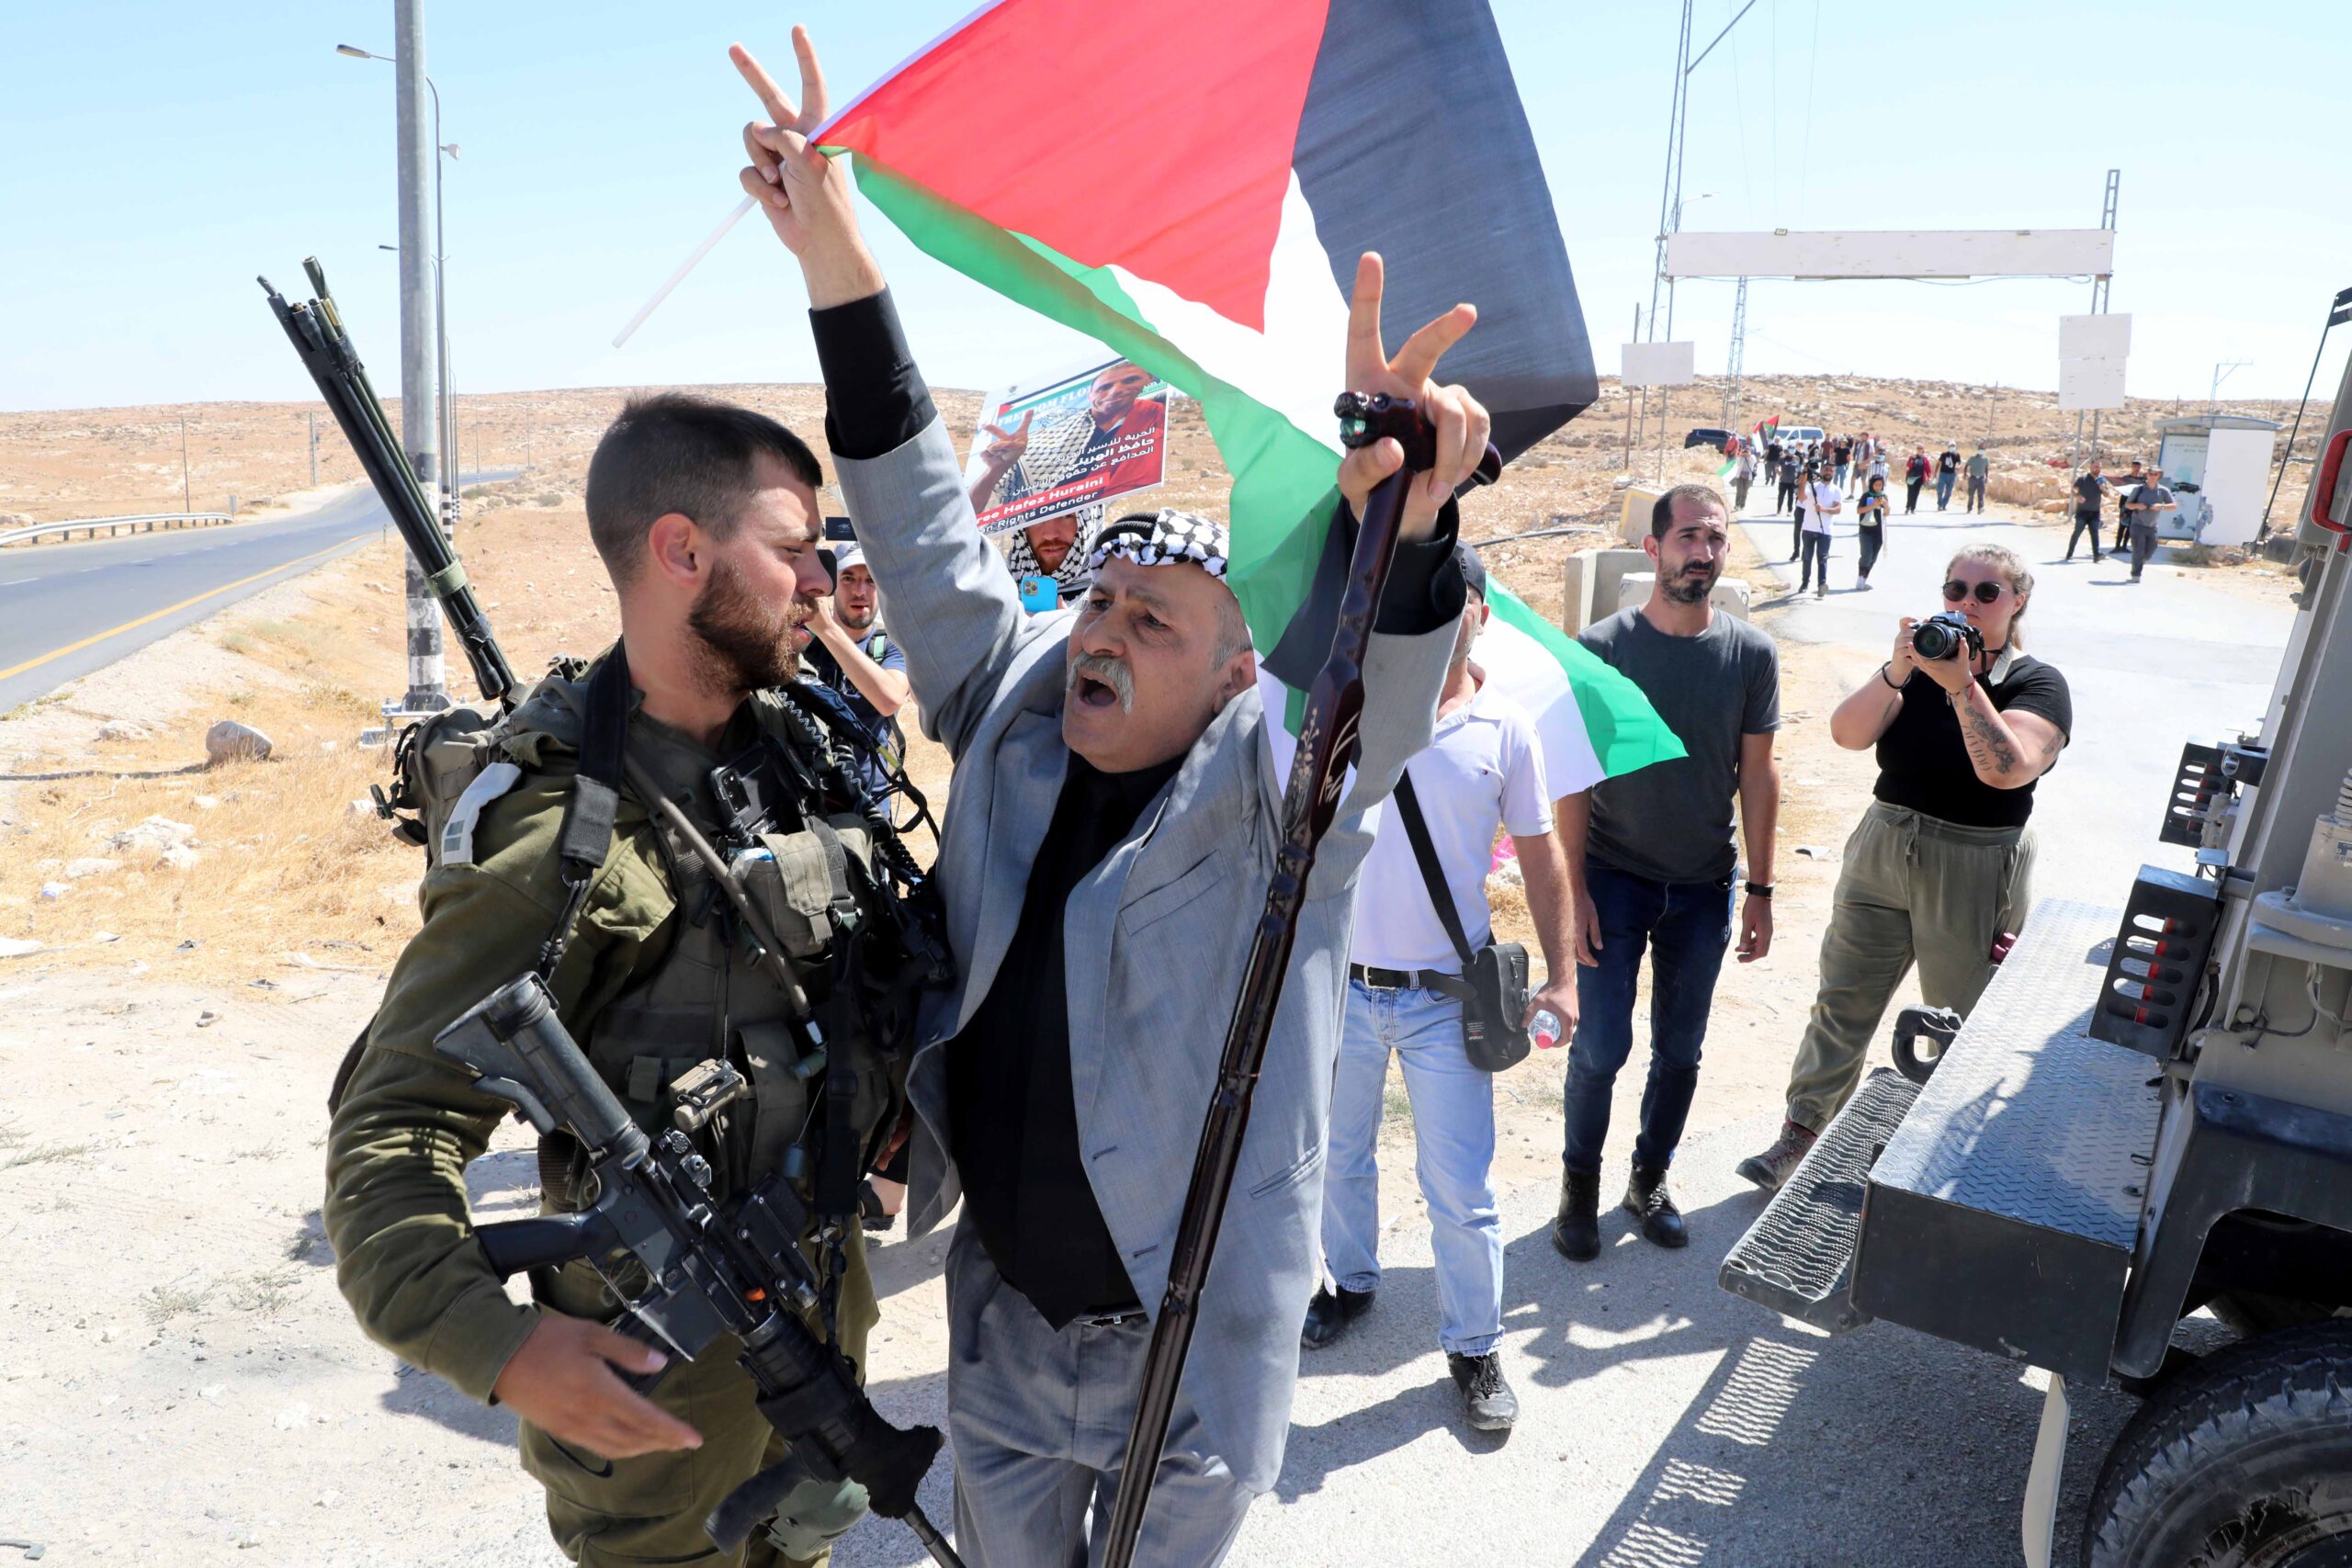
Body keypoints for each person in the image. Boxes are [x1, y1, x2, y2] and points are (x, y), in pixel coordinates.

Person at [733, 35, 1487, 1562]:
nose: (1105, 634)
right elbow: (928, 528)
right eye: (1098, 606)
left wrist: (1407, 534)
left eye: (1154, 623)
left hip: (1189, 1349)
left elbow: (1375, 702)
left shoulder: (1277, 807)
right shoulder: (1011, 713)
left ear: (1229, 677)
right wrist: (837, 259)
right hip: (1005, 1328)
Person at [323, 389, 911, 1566]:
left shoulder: (791, 754)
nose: (820, 579)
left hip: (818, 1332)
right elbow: (394, 1128)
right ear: (682, 551)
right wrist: (498, 1349)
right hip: (658, 1402)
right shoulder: (557, 840)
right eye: (794, 550)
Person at [1306, 546, 1587, 1434]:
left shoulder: (1506, 728)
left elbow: (1544, 862)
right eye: (1413, 602)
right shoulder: (1351, 714)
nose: (1433, 616)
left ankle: (1473, 1345)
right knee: (1335, 1159)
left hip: (1445, 1002)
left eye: (1449, 599)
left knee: (1460, 1188)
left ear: (1481, 611)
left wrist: (1565, 977)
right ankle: (1350, 1285)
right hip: (1342, 991)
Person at [1738, 545, 2071, 1189]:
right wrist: (1897, 672)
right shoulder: (1920, 667)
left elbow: (2005, 769)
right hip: (1885, 842)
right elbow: (1846, 733)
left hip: (1975, 858)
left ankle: (1944, 1164)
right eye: (1955, 589)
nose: (1965, 603)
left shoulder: (2037, 683)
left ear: (2018, 601)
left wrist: (1963, 686)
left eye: (1985, 593)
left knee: (1959, 1017)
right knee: (1843, 996)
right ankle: (1800, 1136)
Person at [1554, 485, 1780, 1260]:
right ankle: (1579, 1183)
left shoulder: (1750, 654)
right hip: (1612, 879)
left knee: (1680, 1049)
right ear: (1652, 550)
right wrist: (1573, 889)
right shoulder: (1602, 649)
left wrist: (1761, 889)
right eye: (1688, 537)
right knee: (1601, 1047)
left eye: (1715, 538)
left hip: (1703, 885)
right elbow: (1573, 776)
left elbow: (1758, 776)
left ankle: (1649, 1179)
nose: (1703, 552)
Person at [799, 541, 910, 799]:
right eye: (848, 578)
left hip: (870, 798)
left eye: (871, 580)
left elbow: (890, 700)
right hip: (808, 797)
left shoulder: (890, 647)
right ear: (832, 586)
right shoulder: (802, 641)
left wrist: (827, 630)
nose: (860, 591)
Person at [1001, 508, 1103, 605]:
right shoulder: (997, 590)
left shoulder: (1115, 593)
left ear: (1090, 519)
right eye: (1035, 515)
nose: (1050, 535)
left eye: (1065, 514)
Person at [2120, 465, 2177, 582]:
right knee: (2138, 550)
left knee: (2150, 551)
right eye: (2150, 474)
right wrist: (2137, 506)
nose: (2152, 476)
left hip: (2152, 526)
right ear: (2147, 475)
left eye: (2155, 474)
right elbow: (2127, 504)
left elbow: (2173, 506)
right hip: (2137, 524)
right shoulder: (2139, 489)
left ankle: (2140, 562)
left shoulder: (2163, 491)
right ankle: (2136, 575)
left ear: (2159, 476)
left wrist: (2161, 506)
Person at [1797, 465, 1841, 597]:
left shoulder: (1836, 490)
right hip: (1808, 528)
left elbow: (1838, 509)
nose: (1828, 472)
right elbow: (1801, 497)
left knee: (1822, 558)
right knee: (1807, 558)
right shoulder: (1812, 486)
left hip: (1825, 531)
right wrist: (1804, 475)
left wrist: (1824, 509)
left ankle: (1821, 585)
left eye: (1831, 471)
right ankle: (1805, 583)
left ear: (1834, 473)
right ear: (1822, 471)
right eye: (1826, 470)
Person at [2067, 460, 2111, 562]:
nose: (2097, 469)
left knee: (2095, 533)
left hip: (2095, 512)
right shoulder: (2083, 479)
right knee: (2077, 532)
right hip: (2082, 511)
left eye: (2099, 467)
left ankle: (2096, 555)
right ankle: (2069, 553)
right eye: (2095, 466)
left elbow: (2107, 494)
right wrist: (2077, 496)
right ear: (2090, 467)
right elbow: (2073, 489)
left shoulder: (2101, 480)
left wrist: (2103, 489)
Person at [1855, 474, 1891, 589]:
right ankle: (1859, 578)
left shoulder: (1884, 496)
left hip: (1878, 532)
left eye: (1880, 485)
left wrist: (1886, 506)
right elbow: (1859, 510)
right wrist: (1873, 505)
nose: (1878, 487)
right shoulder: (1866, 496)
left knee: (1873, 558)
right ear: (1871, 485)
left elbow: (1886, 514)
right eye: (1876, 485)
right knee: (1866, 555)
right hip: (1865, 530)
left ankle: (1864, 579)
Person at [1934, 443, 1962, 511]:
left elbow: (1960, 463)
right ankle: (1940, 504)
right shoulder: (1944, 455)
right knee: (1940, 490)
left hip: (1952, 475)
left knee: (1949, 492)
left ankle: (1943, 504)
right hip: (1943, 474)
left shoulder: (1957, 455)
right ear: (1948, 447)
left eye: (1953, 446)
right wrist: (1935, 472)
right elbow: (1938, 463)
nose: (1952, 447)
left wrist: (1958, 466)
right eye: (1951, 446)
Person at [1776, 448, 1803, 517]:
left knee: (1791, 497)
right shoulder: (1782, 458)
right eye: (1790, 451)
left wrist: (1798, 477)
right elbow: (1776, 467)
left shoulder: (1796, 459)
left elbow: (1799, 468)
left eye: (1793, 451)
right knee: (1781, 496)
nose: (1791, 453)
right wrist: (1778, 472)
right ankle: (1779, 509)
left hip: (1792, 482)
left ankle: (1789, 510)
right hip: (1783, 481)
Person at [1964, 446, 1990, 513]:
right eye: (1980, 450)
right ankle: (1969, 508)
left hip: (1981, 478)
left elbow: (1986, 468)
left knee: (1981, 494)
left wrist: (1986, 477)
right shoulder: (1972, 458)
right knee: (1971, 494)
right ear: (1978, 450)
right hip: (1973, 478)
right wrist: (1965, 474)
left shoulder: (1985, 459)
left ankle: (1980, 508)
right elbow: (1966, 465)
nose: (1981, 451)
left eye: (1983, 450)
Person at [1904, 447, 1930, 514]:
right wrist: (1911, 461)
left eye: (1920, 449)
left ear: (1923, 450)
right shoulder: (1912, 457)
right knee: (1910, 493)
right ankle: (1908, 507)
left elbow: (1928, 468)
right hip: (1911, 478)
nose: (1919, 450)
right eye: (1918, 449)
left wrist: (1929, 477)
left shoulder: (1925, 459)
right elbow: (1908, 465)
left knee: (1916, 493)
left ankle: (1913, 508)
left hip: (1920, 479)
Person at [1733, 444, 1758, 512]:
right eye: (1745, 450)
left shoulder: (1752, 456)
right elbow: (1737, 463)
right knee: (1739, 491)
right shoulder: (1741, 457)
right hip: (1739, 476)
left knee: (1745, 491)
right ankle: (1737, 505)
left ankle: (1742, 505)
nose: (1746, 452)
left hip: (1748, 477)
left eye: (1747, 450)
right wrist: (1740, 455)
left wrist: (1749, 455)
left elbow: (1754, 462)